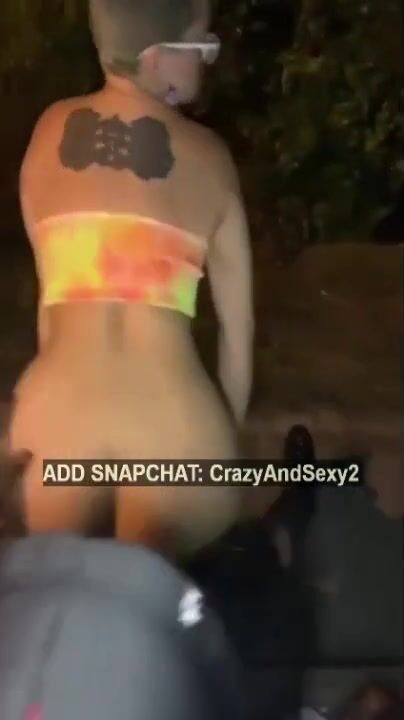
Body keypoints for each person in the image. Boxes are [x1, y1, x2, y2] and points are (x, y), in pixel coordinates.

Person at [7, 0, 255, 556]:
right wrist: (223, 441)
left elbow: (50, 309)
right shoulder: (209, 156)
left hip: (55, 433)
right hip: (176, 436)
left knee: (62, 590)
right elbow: (238, 341)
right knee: (161, 594)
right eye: (202, 45)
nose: (207, 60)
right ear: (157, 57)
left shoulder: (48, 133)